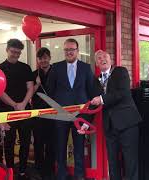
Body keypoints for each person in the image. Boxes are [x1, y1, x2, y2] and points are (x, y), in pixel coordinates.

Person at [79, 50, 142, 180]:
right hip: (110, 127)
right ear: (96, 64)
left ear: (110, 59)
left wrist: (102, 99)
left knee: (130, 161)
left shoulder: (120, 72)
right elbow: (93, 103)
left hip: (127, 124)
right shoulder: (96, 80)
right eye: (99, 58)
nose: (102, 59)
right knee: (112, 162)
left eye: (105, 56)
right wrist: (85, 124)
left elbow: (122, 93)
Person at [47, 38, 94, 180]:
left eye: (72, 49)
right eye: (66, 50)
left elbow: (91, 92)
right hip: (60, 115)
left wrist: (87, 118)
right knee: (60, 145)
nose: (69, 52)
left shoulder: (86, 68)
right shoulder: (56, 67)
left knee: (79, 147)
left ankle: (80, 175)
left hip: (80, 115)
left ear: (77, 51)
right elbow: (50, 90)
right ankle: (61, 174)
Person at [0, 39, 34, 179]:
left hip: (24, 110)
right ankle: (10, 170)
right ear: (7, 50)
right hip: (7, 111)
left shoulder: (25, 68)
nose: (15, 55)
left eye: (18, 53)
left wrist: (23, 104)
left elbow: (30, 88)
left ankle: (23, 169)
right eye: (13, 52)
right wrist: (14, 105)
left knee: (25, 142)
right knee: (9, 143)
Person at [32, 47, 55, 180]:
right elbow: (29, 93)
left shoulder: (57, 72)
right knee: (38, 143)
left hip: (53, 114)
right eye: (40, 58)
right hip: (38, 114)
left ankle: (50, 170)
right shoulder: (34, 74)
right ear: (38, 60)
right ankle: (39, 170)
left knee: (51, 143)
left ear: (49, 58)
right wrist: (36, 85)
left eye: (45, 57)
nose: (43, 60)